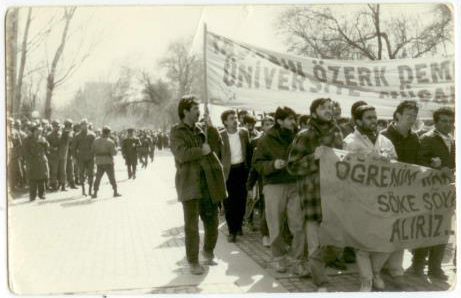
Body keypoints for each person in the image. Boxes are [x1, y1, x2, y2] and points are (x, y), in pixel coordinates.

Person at [287, 98, 344, 288]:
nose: (329, 110)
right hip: (313, 198)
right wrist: (314, 158)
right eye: (324, 108)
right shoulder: (304, 135)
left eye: (330, 108)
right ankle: (320, 281)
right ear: (313, 113)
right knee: (315, 246)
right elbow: (292, 167)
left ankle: (315, 267)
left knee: (337, 245)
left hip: (334, 196)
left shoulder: (337, 133)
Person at [343, 105, 397, 291]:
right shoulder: (350, 142)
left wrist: (390, 161)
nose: (374, 120)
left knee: (386, 241)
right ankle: (366, 280)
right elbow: (346, 170)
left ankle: (375, 272)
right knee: (363, 244)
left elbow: (399, 166)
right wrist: (373, 160)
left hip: (384, 198)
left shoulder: (385, 141)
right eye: (368, 118)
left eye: (374, 117)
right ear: (358, 121)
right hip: (360, 199)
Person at [170, 95, 225, 275]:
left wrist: (211, 125)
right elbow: (181, 154)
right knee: (192, 226)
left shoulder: (202, 129)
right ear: (185, 111)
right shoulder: (177, 131)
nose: (199, 112)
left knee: (212, 220)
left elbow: (217, 145)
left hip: (209, 182)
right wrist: (201, 151)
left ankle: (208, 252)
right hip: (190, 184)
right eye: (195, 109)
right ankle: (193, 261)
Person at [254, 106, 309, 277]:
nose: (294, 122)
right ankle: (278, 258)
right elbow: (257, 164)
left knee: (298, 224)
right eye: (290, 119)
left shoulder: (299, 136)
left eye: (294, 119)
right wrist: (273, 165)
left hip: (295, 184)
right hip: (274, 185)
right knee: (275, 225)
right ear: (279, 121)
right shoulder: (266, 138)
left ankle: (298, 261)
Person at [412, 107, 455, 281]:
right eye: (444, 121)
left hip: (446, 191)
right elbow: (419, 162)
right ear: (436, 122)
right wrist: (435, 166)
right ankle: (418, 265)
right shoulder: (427, 138)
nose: (448, 124)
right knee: (426, 228)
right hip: (428, 191)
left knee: (443, 229)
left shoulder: (452, 140)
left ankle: (435, 267)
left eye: (450, 121)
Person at [381, 100, 420, 289]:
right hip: (385, 192)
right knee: (384, 231)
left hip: (407, 193)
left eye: (414, 116)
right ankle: (379, 268)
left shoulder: (415, 139)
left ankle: (396, 269)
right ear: (397, 115)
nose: (412, 120)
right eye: (408, 115)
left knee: (401, 231)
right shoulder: (382, 136)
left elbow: (420, 164)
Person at [219, 110, 251, 243]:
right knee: (229, 202)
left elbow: (248, 150)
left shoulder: (244, 133)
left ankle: (238, 225)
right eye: (232, 118)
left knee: (242, 200)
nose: (235, 121)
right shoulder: (221, 135)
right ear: (225, 121)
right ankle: (232, 231)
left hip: (242, 170)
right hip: (228, 172)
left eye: (236, 118)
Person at [246, 115, 274, 247]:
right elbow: (254, 165)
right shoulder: (256, 142)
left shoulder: (279, 140)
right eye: (267, 123)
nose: (269, 126)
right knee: (265, 208)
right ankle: (265, 234)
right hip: (264, 179)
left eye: (271, 123)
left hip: (278, 179)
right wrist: (250, 185)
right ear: (262, 126)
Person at [92, 126, 122, 199]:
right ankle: (115, 191)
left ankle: (95, 193)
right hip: (108, 162)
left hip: (99, 161)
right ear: (108, 133)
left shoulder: (95, 140)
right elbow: (113, 153)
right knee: (112, 178)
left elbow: (92, 150)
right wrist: (117, 150)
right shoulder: (110, 142)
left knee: (98, 178)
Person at [23, 123, 50, 201]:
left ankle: (42, 194)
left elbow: (47, 149)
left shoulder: (42, 138)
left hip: (41, 161)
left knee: (42, 178)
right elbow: (25, 152)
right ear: (34, 131)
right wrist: (30, 160)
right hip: (33, 162)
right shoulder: (27, 139)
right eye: (38, 130)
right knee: (33, 179)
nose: (40, 132)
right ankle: (32, 196)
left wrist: (45, 143)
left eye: (41, 131)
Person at [73, 119, 96, 196]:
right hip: (81, 157)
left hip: (90, 156)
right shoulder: (77, 135)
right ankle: (83, 190)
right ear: (81, 126)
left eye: (86, 124)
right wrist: (74, 158)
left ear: (88, 125)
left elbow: (95, 146)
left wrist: (95, 156)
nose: (84, 126)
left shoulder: (92, 135)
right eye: (83, 125)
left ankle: (90, 189)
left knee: (91, 173)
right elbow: (73, 148)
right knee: (81, 173)